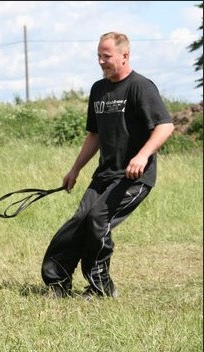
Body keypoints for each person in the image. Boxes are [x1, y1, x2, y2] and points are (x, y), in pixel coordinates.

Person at [41, 32, 175, 299]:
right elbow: (95, 136)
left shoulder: (140, 86)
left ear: (125, 55)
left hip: (134, 177)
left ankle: (102, 289)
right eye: (98, 56)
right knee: (80, 221)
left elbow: (165, 125)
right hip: (105, 175)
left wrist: (142, 155)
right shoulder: (98, 89)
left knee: (97, 220)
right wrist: (75, 169)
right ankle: (58, 284)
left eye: (107, 56)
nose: (101, 61)